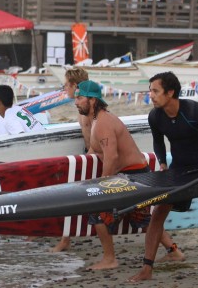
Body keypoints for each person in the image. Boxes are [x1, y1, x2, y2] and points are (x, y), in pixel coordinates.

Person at [74, 80, 181, 270]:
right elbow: (95, 149)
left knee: (97, 212)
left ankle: (109, 259)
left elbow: (112, 157)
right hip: (135, 173)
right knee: (144, 220)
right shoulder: (98, 120)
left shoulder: (103, 123)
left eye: (79, 97)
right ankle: (174, 252)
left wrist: (101, 186)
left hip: (132, 176)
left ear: (92, 100)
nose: (76, 102)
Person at [128, 72, 198, 282]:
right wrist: (163, 164)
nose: (151, 95)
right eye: (150, 90)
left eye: (155, 91)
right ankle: (147, 269)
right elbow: (158, 143)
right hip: (178, 170)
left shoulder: (194, 111)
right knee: (158, 212)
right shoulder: (155, 116)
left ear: (170, 92)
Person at [51, 67, 92, 253]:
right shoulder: (82, 106)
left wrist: (88, 159)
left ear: (75, 86)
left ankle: (65, 240)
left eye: (66, 85)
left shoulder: (87, 109)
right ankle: (65, 238)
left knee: (73, 197)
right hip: (91, 154)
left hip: (95, 156)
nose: (64, 89)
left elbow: (96, 136)